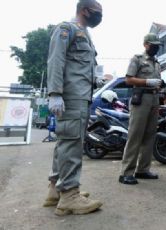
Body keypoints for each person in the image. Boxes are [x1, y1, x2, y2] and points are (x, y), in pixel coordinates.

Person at [45, 0, 103, 216]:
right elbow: (55, 61)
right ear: (85, 10)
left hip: (80, 96)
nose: (100, 17)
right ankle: (69, 195)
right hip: (71, 96)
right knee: (71, 144)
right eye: (98, 12)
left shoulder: (85, 34)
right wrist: (55, 93)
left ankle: (55, 189)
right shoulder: (66, 29)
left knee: (64, 142)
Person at [118, 33, 163, 185]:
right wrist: (146, 81)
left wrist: (163, 85)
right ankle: (126, 172)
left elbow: (156, 82)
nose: (156, 47)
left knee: (150, 136)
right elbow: (128, 79)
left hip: (155, 99)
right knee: (135, 135)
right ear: (145, 44)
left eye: (157, 45)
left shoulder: (157, 63)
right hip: (141, 98)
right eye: (153, 45)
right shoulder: (137, 59)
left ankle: (143, 169)